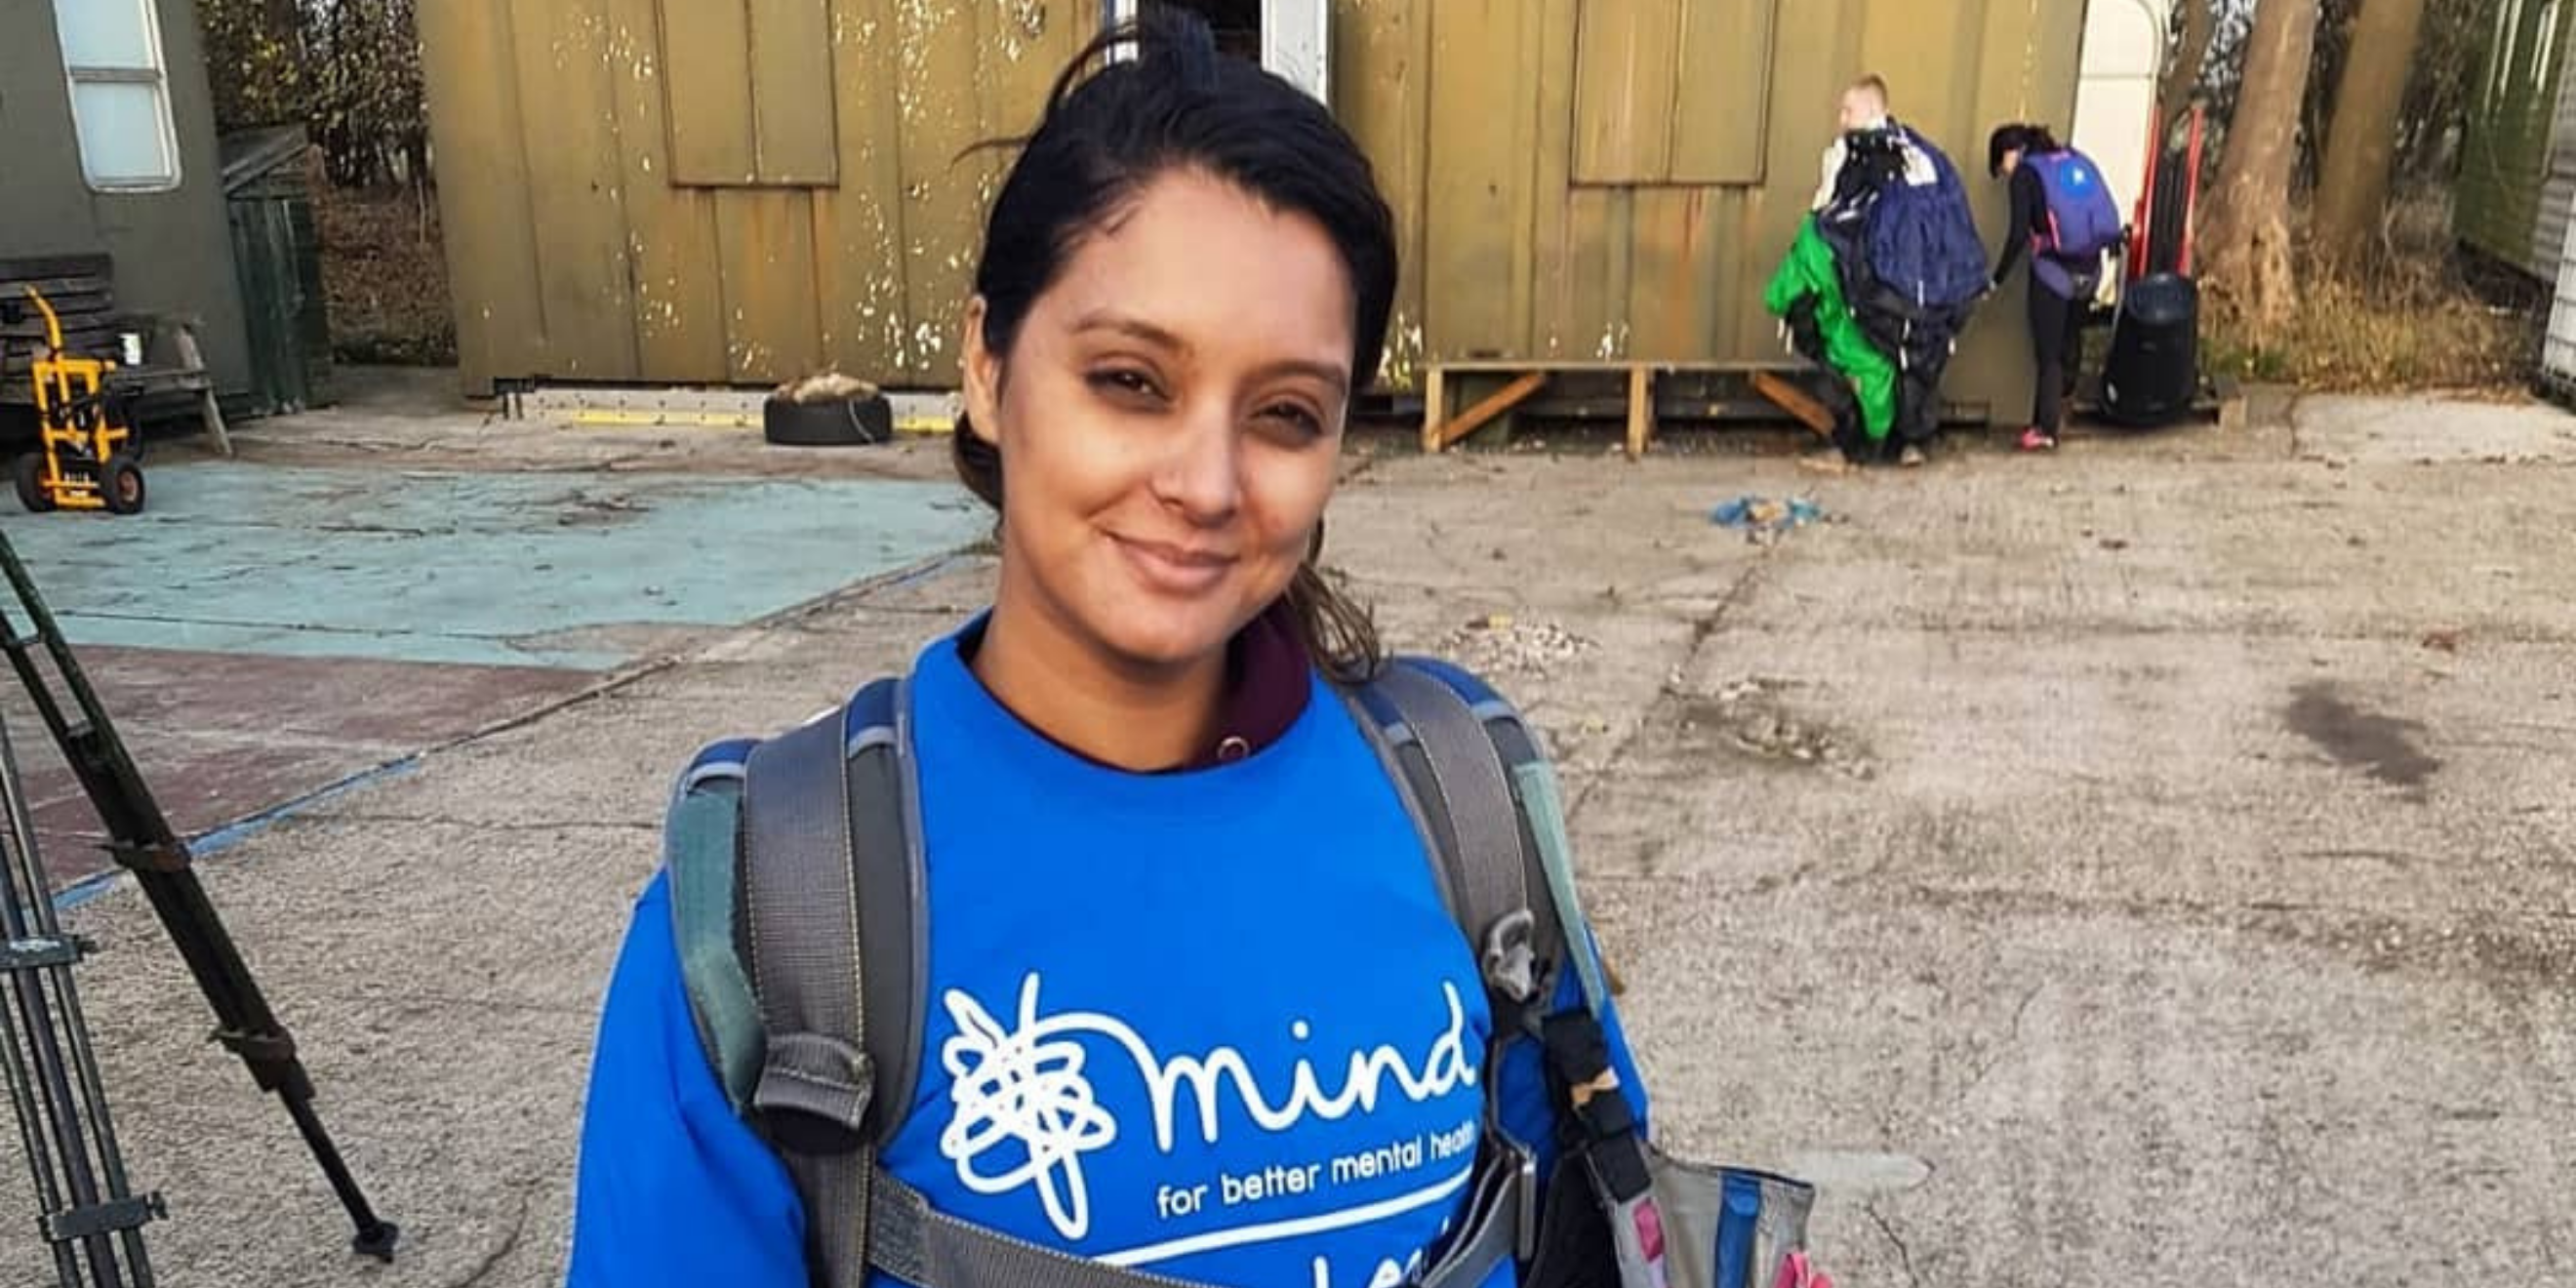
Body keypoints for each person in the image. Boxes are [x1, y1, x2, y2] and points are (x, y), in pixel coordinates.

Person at [561, 14, 1665, 1288]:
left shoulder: (1463, 808)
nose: (1205, 482)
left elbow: (1586, 1233)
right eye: (1131, 381)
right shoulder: (783, 909)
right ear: (987, 366)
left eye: (1286, 413)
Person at [1986, 123, 2123, 453]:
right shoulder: (2072, 159)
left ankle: (2045, 429)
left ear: (2009, 153)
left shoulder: (2025, 174)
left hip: (2053, 272)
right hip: (2090, 269)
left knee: (2048, 355)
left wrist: (1996, 278)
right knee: (2070, 337)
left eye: (2000, 166)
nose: (2005, 173)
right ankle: (2064, 410)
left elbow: (2019, 234)